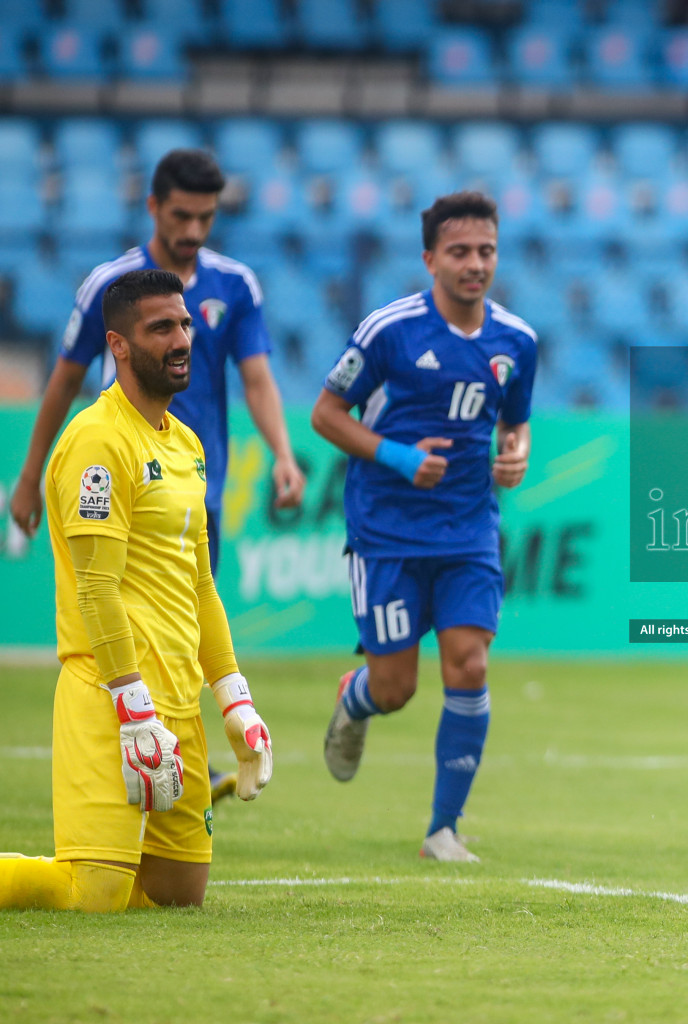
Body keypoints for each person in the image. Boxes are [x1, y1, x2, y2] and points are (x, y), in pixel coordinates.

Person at [7, 149, 303, 804]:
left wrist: (283, 452)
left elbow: (256, 377)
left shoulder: (236, 286)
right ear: (153, 208)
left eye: (205, 217)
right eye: (181, 216)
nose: (193, 230)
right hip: (123, 482)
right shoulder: (113, 288)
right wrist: (29, 477)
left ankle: (177, 763)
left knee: (188, 622)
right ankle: (138, 748)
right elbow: (63, 380)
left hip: (198, 487)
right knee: (117, 607)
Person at [0, 270, 273, 912]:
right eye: (161, 328)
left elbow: (200, 584)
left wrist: (235, 701)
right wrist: (130, 704)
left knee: (177, 897)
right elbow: (97, 587)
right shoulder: (97, 441)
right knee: (94, 892)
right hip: (111, 693)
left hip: (179, 701)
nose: (182, 339)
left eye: (183, 324)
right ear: (117, 346)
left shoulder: (187, 445)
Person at [311, 192, 536, 862]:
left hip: (468, 529)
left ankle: (443, 828)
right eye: (461, 252)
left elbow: (515, 420)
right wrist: (399, 456)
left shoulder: (516, 341)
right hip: (387, 530)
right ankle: (355, 700)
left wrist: (517, 451)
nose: (475, 264)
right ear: (430, 257)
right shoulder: (390, 331)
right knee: (396, 689)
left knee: (469, 662)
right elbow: (326, 413)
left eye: (487, 251)